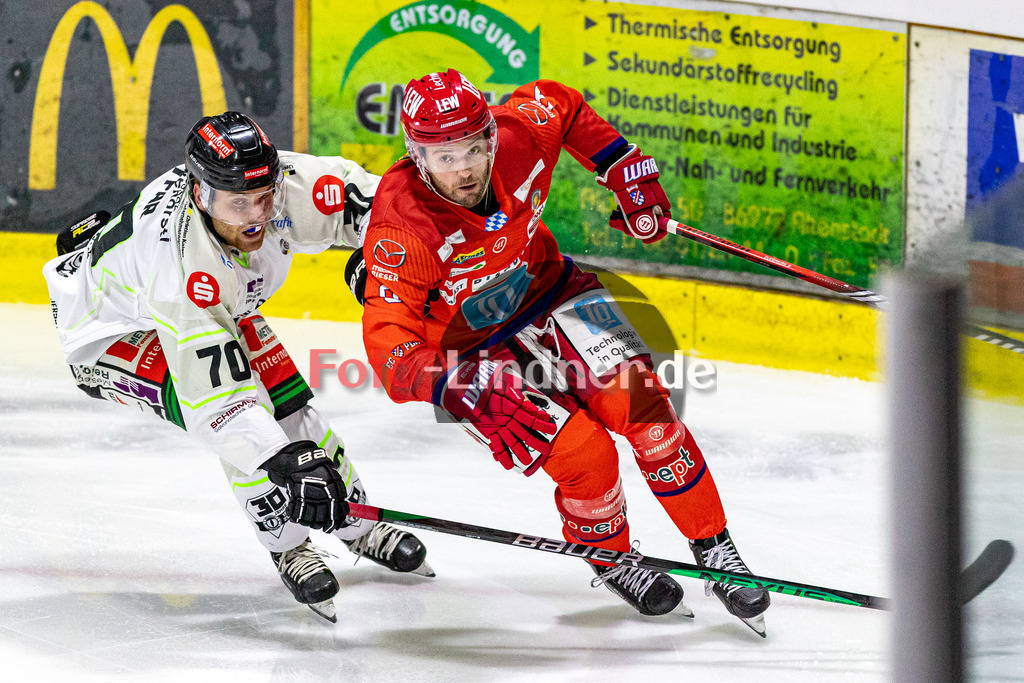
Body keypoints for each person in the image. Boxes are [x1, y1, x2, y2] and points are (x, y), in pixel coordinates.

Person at [351, 69, 771, 635]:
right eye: (444, 156)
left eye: (475, 147)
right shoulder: (401, 224)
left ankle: (716, 550)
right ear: (415, 153)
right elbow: (388, 345)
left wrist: (623, 164)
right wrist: (449, 385)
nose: (466, 168)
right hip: (469, 354)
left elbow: (562, 103)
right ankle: (610, 554)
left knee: (648, 414)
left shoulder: (519, 138)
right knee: (587, 457)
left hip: (550, 290)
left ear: (492, 136)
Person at [42, 112, 432, 623]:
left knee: (295, 411)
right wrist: (283, 460)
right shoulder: (183, 271)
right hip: (109, 334)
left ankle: (355, 524)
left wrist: (386, 256)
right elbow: (223, 407)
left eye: (264, 196)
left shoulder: (284, 185)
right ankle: (288, 546)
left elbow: (389, 208)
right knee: (256, 430)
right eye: (238, 203)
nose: (256, 215)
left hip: (215, 304)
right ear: (200, 195)